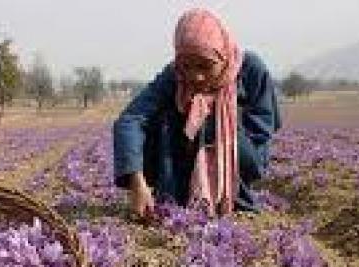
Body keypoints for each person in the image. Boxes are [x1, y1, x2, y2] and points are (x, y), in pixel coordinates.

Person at [113, 8, 281, 219]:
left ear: (223, 55)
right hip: (180, 164)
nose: (196, 76)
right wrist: (136, 181)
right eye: (186, 66)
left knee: (208, 113)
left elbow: (260, 143)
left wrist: (214, 117)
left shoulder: (251, 71)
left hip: (243, 161)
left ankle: (227, 197)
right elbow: (130, 120)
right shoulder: (174, 75)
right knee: (163, 115)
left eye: (205, 65)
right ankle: (173, 195)